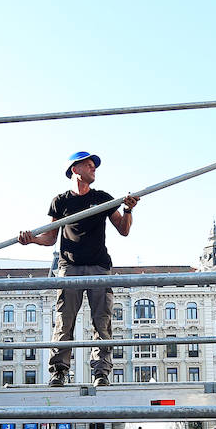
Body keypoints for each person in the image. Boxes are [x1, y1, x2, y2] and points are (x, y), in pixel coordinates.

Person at [18, 151, 140, 387]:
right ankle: (59, 371)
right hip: (70, 267)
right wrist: (31, 239)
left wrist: (128, 210)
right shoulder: (61, 201)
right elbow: (50, 238)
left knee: (101, 322)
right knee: (64, 321)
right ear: (75, 170)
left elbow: (123, 229)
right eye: (89, 165)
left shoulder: (103, 198)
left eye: (94, 165)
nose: (94, 168)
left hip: (99, 267)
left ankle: (101, 372)